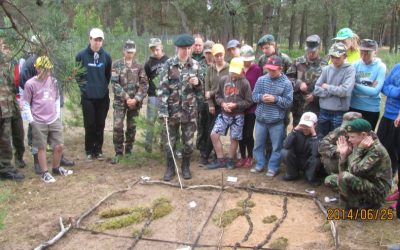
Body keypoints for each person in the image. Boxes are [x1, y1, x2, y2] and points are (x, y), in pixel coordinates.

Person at [20, 36, 74, 173]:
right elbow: (23, 83)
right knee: (37, 138)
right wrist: (32, 112)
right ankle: (37, 162)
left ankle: (59, 160)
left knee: (57, 138)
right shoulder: (29, 63)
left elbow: (59, 81)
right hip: (37, 110)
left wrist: (57, 105)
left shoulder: (54, 59)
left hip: (53, 107)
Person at [157, 34, 203, 181]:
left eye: (189, 48)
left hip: (189, 113)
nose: (186, 51)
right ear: (177, 48)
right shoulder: (168, 64)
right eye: (183, 48)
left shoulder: (196, 65)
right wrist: (163, 110)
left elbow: (201, 92)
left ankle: (185, 167)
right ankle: (170, 168)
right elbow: (162, 89)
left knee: (188, 144)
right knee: (169, 143)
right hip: (171, 112)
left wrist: (198, 83)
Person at [325, 118, 392, 209]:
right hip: (365, 181)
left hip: (378, 190)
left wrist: (358, 151)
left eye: (352, 137)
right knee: (330, 180)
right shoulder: (360, 142)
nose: (349, 139)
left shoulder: (376, 151)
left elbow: (355, 171)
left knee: (344, 177)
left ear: (364, 135)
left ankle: (354, 208)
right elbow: (346, 172)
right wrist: (344, 156)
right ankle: (356, 201)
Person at [206, 57, 252, 169]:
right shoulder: (223, 80)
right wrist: (222, 104)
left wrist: (236, 105)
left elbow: (249, 101)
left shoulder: (245, 83)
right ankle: (220, 159)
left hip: (238, 116)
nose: (233, 74)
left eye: (236, 72)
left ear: (241, 70)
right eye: (232, 71)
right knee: (214, 135)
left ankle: (231, 160)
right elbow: (218, 96)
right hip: (223, 114)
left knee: (234, 138)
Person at [251, 55, 293, 177]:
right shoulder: (261, 80)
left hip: (276, 121)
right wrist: (261, 98)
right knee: (258, 144)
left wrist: (275, 99)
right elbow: (254, 96)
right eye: (269, 69)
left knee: (276, 146)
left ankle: (273, 167)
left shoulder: (286, 83)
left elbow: (288, 102)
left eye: (273, 69)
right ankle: (259, 164)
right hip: (260, 120)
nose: (271, 72)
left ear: (281, 68)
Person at [76, 28, 112, 160]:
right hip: (87, 97)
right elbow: (77, 75)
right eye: (95, 39)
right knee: (89, 124)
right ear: (90, 39)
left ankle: (98, 149)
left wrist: (101, 87)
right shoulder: (81, 55)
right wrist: (85, 89)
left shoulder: (106, 56)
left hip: (102, 96)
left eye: (100, 40)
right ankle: (89, 150)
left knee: (100, 123)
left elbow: (107, 75)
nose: (97, 42)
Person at [110, 40, 148, 164]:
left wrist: (136, 99)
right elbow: (114, 84)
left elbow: (144, 84)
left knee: (132, 127)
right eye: (127, 52)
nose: (129, 54)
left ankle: (129, 151)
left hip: (134, 103)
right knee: (117, 126)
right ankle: (119, 153)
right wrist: (126, 97)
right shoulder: (116, 65)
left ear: (135, 51)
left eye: (132, 52)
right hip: (120, 102)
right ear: (123, 51)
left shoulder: (139, 66)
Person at [313, 42, 355, 138]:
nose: (334, 60)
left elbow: (345, 91)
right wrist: (334, 91)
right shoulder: (326, 69)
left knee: (337, 139)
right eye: (332, 57)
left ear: (344, 56)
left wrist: (327, 87)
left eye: (337, 57)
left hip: (339, 112)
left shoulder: (350, 70)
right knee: (321, 138)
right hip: (324, 110)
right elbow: (316, 89)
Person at [286, 34, 328, 126]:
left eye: (313, 51)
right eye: (308, 51)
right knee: (297, 130)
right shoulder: (297, 61)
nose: (311, 53)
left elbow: (326, 85)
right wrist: (299, 83)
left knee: (313, 131)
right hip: (298, 105)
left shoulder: (324, 65)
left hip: (315, 105)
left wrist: (315, 95)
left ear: (319, 49)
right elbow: (288, 78)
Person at [201, 43, 230, 166]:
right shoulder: (210, 69)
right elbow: (206, 89)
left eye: (221, 55)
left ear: (224, 54)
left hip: (223, 104)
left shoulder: (229, 68)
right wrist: (210, 104)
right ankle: (211, 155)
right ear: (213, 56)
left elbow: (226, 88)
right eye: (216, 55)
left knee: (214, 130)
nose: (219, 57)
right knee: (209, 130)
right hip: (211, 105)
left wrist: (212, 93)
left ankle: (206, 155)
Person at [0, 42, 25, 181]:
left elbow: (12, 84)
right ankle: (5, 168)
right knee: (4, 138)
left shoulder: (9, 62)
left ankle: (8, 165)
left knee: (10, 136)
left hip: (9, 104)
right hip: (2, 106)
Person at [377, 63, 400, 210]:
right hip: (387, 116)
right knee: (386, 152)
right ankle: (391, 187)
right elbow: (384, 87)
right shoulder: (397, 67)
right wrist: (396, 91)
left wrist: (392, 90)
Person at [350, 39, 386, 130]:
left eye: (367, 53)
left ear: (375, 52)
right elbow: (348, 85)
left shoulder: (380, 67)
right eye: (361, 53)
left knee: (367, 139)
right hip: (354, 106)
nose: (363, 56)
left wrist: (356, 85)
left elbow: (375, 91)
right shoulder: (355, 64)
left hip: (371, 108)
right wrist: (368, 87)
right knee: (351, 137)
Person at [235, 45, 262, 168]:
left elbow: (259, 85)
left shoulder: (256, 69)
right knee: (239, 133)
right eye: (245, 59)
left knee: (248, 133)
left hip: (251, 107)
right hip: (239, 106)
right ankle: (242, 156)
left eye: (249, 59)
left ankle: (250, 156)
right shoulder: (238, 68)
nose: (247, 62)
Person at [281, 112, 321, 185]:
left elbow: (315, 154)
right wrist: (294, 131)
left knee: (316, 160)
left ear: (315, 125)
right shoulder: (296, 132)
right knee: (284, 152)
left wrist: (314, 135)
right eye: (303, 125)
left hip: (308, 162)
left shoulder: (319, 135)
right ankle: (292, 174)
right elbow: (285, 145)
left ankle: (309, 177)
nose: (305, 128)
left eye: (308, 125)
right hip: (296, 159)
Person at [144, 38, 169, 153]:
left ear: (161, 47)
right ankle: (148, 146)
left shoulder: (168, 60)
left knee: (164, 121)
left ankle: (164, 146)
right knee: (150, 120)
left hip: (165, 96)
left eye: (157, 49)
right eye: (153, 49)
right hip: (153, 96)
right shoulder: (148, 63)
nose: (155, 51)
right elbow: (145, 79)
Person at [196, 40, 215, 161]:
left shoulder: (217, 65)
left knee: (212, 127)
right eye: (207, 52)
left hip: (214, 101)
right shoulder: (198, 65)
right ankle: (203, 150)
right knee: (202, 126)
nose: (209, 54)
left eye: (210, 52)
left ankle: (212, 150)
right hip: (201, 101)